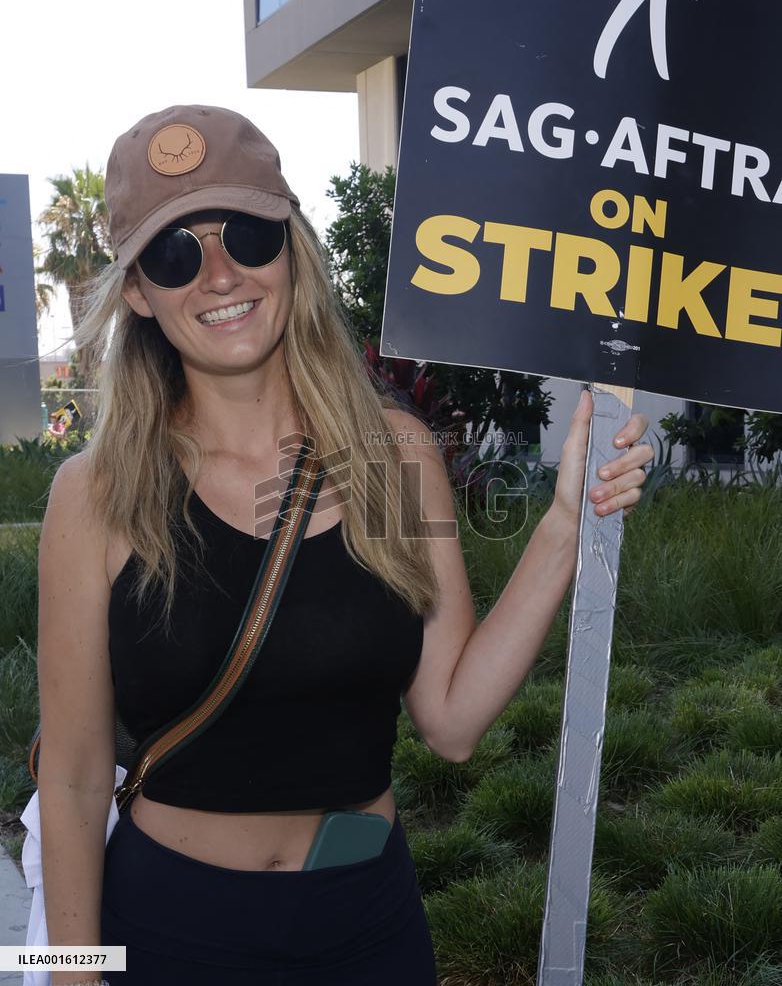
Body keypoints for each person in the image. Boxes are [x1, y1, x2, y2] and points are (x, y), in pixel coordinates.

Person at [34, 104, 654, 986]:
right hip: (171, 931)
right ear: (138, 292)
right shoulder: (93, 495)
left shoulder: (397, 456)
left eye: (246, 235)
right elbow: (73, 779)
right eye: (176, 252)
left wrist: (563, 524)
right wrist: (72, 974)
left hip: (367, 928)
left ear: (292, 250)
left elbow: (451, 721)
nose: (219, 275)